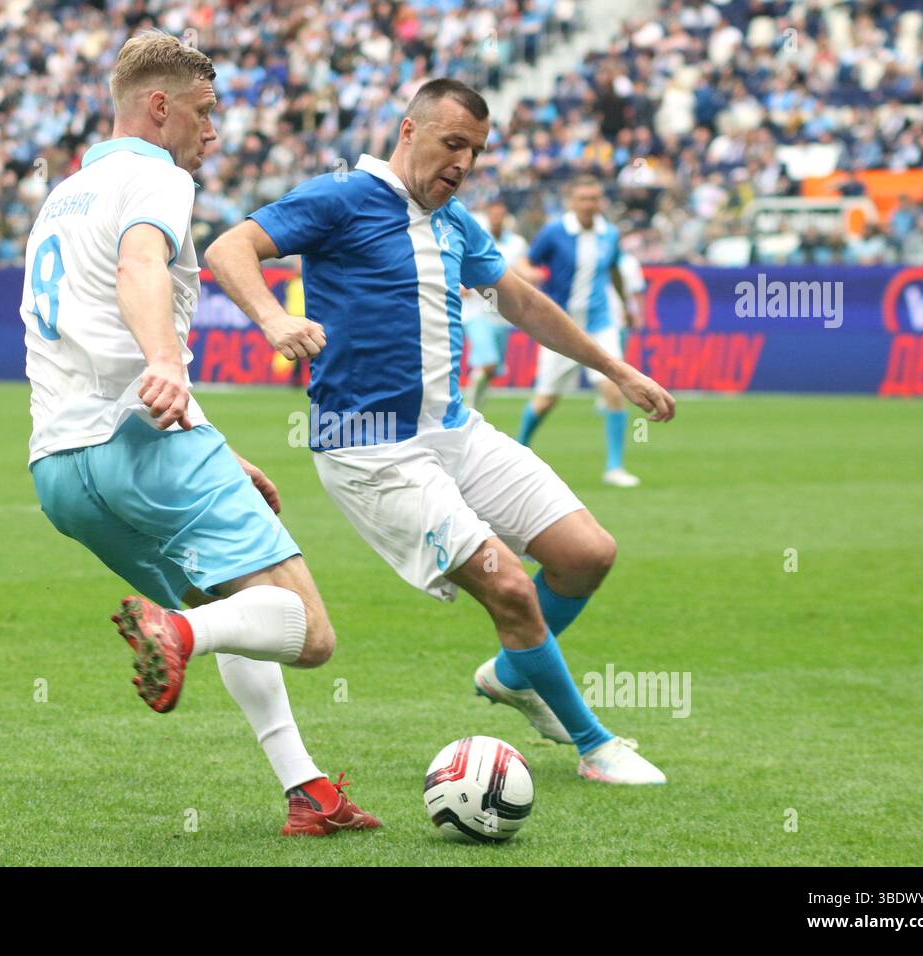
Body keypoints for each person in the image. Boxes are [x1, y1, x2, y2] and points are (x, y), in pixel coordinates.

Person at [207, 79, 676, 785]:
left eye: (476, 151)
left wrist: (616, 367)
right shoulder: (342, 197)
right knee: (511, 589)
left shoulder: (457, 221)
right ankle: (595, 745)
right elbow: (229, 247)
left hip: (454, 431)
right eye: (452, 142)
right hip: (371, 448)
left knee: (587, 553)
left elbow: (520, 299)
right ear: (408, 131)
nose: (463, 162)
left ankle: (516, 675)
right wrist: (274, 318)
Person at [20, 32, 379, 836]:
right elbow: (140, 267)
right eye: (204, 114)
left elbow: (83, 331)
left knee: (235, 603)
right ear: (159, 108)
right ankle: (175, 632)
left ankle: (307, 791)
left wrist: (216, 446)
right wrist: (165, 367)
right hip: (143, 440)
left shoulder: (64, 195)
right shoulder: (157, 176)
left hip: (60, 471)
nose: (212, 134)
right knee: (305, 631)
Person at [518, 175, 645, 487]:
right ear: (572, 202)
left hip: (600, 323)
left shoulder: (609, 234)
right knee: (546, 400)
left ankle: (614, 466)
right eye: (584, 198)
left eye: (595, 198)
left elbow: (613, 269)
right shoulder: (555, 232)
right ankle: (518, 451)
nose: (591, 204)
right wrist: (528, 273)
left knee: (614, 388)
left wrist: (626, 306)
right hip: (560, 326)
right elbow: (526, 261)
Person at [462, 198, 540, 409]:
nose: (497, 218)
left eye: (500, 214)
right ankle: (468, 405)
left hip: (501, 315)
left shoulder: (516, 243)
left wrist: (532, 275)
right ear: (487, 215)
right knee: (488, 363)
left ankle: (475, 403)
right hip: (476, 313)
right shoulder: (475, 238)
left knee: (492, 369)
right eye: (493, 214)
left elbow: (522, 267)